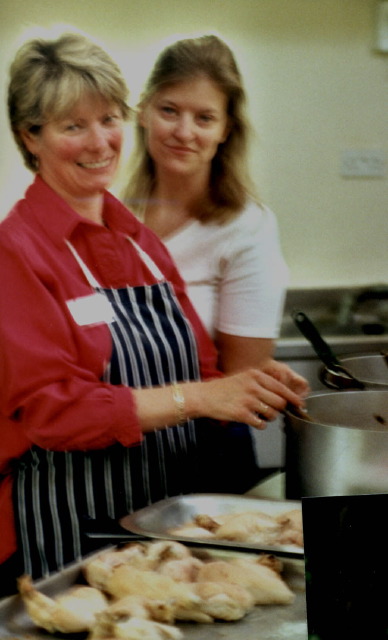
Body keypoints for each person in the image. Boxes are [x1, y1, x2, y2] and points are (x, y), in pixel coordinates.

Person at [0, 32, 304, 594]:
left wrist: (248, 387)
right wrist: (199, 398)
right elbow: (52, 411)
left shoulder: (137, 239)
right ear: (30, 137)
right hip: (74, 528)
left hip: (165, 523)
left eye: (110, 118)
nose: (100, 142)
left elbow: (201, 371)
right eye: (74, 126)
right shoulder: (17, 250)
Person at [122, 34, 307, 390]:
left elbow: (241, 379)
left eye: (204, 118)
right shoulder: (111, 213)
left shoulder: (247, 228)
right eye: (169, 110)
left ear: (226, 129)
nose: (183, 132)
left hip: (207, 438)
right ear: (144, 111)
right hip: (113, 432)